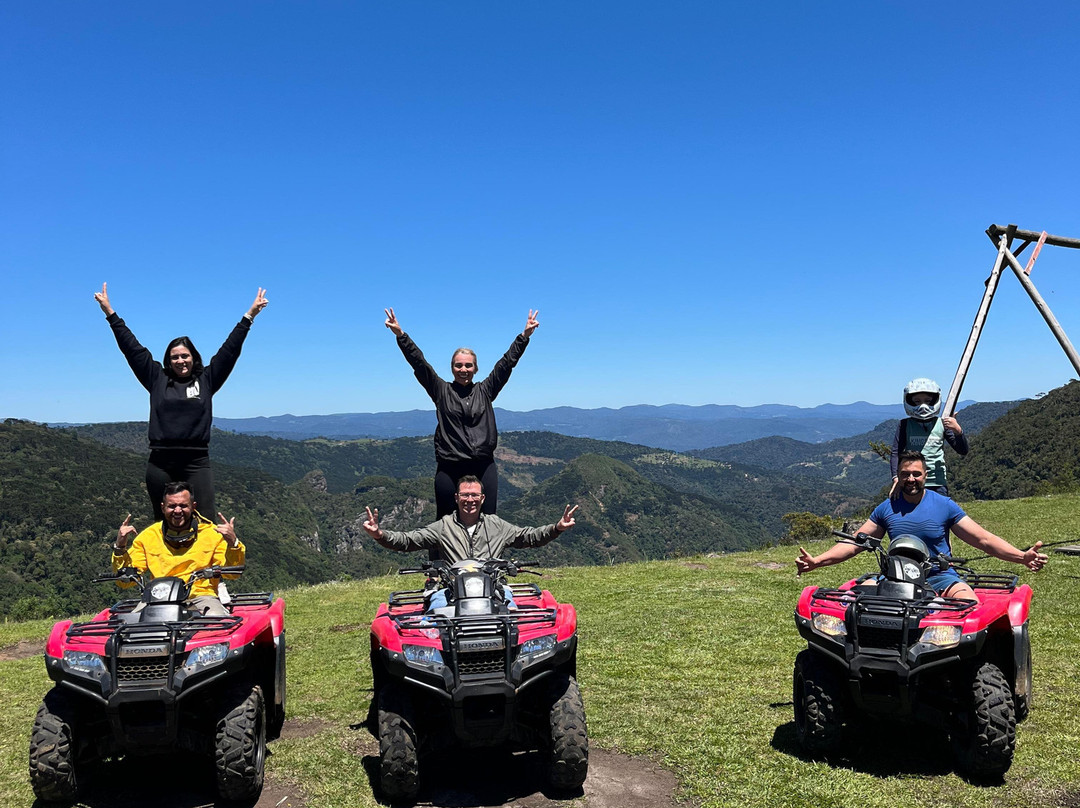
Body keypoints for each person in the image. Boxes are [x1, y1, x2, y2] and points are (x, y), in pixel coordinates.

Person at [94, 282, 269, 520]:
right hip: (160, 462)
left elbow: (229, 351)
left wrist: (249, 316)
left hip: (196, 462)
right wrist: (110, 313)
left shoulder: (207, 379)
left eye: (184, 355)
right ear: (168, 360)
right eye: (174, 357)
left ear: (193, 356)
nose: (180, 361)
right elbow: (132, 349)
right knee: (163, 521)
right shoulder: (156, 378)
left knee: (206, 519)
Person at [797, 451, 1046, 602]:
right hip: (894, 576)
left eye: (916, 473)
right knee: (855, 603)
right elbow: (854, 543)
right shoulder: (886, 508)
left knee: (967, 604)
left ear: (926, 475)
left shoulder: (944, 506)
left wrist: (1021, 557)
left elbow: (983, 539)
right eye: (905, 474)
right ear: (898, 476)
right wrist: (817, 561)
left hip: (940, 577)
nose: (911, 479)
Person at [384, 307, 539, 518]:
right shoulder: (441, 391)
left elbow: (506, 364)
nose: (463, 369)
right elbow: (420, 364)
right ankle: (441, 553)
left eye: (468, 365)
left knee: (488, 521)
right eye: (459, 365)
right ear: (452, 368)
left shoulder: (485, 390)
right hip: (450, 466)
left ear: (475, 369)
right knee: (445, 524)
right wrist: (401, 336)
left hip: (483, 464)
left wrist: (524, 336)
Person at [362, 475, 577, 564]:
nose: (470, 500)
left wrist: (557, 528)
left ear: (482, 499)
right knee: (436, 621)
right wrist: (379, 535)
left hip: (493, 589)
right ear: (456, 498)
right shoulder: (442, 527)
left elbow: (529, 537)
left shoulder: (497, 525)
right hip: (453, 591)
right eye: (465, 495)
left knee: (513, 619)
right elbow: (408, 541)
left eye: (474, 495)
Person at [111, 482, 245, 616]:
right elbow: (125, 581)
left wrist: (233, 543)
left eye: (183, 505)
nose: (177, 511)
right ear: (163, 508)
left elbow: (232, 573)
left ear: (193, 507)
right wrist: (120, 548)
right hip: (158, 598)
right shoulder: (148, 536)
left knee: (215, 620)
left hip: (199, 597)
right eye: (172, 506)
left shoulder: (212, 534)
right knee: (129, 626)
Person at [890, 378, 968, 498]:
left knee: (938, 515)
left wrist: (957, 431)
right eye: (917, 401)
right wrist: (896, 478)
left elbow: (962, 450)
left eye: (928, 401)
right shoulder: (905, 425)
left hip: (937, 482)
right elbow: (896, 453)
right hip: (912, 481)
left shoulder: (942, 424)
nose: (923, 406)